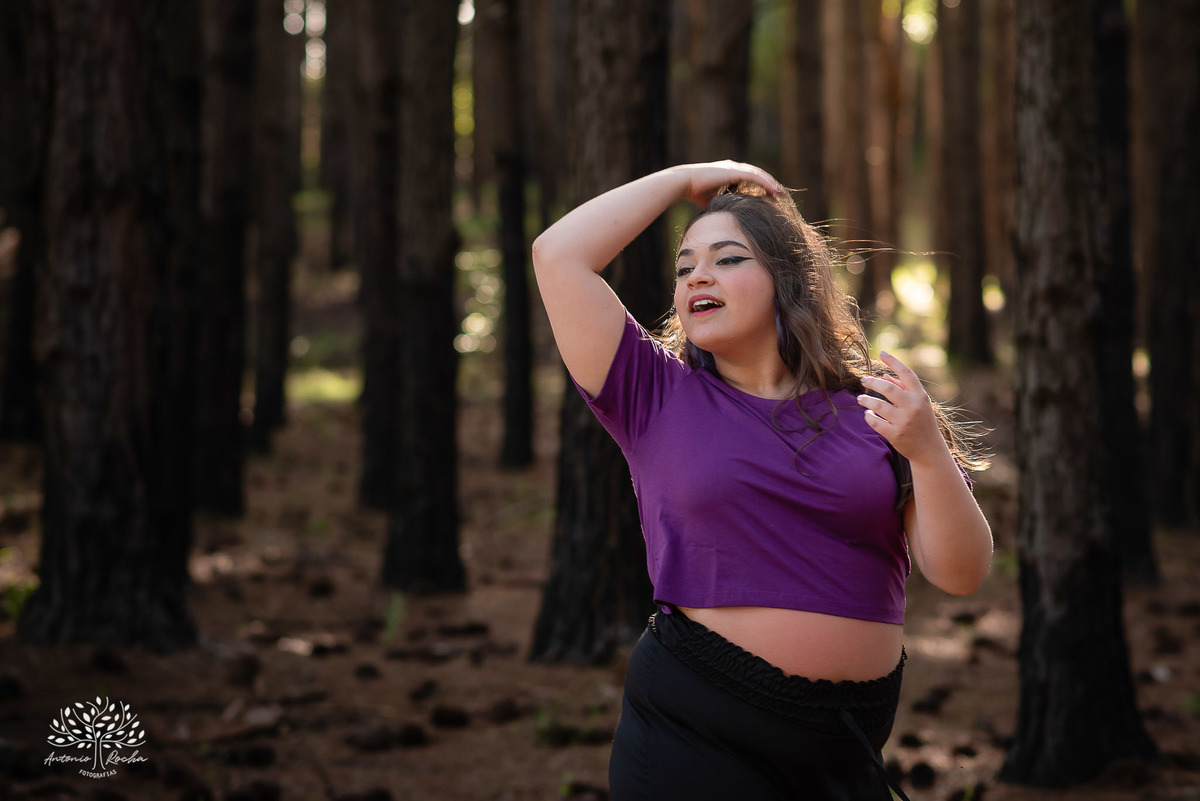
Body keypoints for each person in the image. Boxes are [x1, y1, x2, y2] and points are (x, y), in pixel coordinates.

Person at [531, 161, 993, 801]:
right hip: (696, 728)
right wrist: (686, 179)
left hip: (845, 747)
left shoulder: (871, 409)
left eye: (726, 259)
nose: (697, 275)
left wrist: (929, 453)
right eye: (685, 265)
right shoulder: (653, 393)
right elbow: (558, 255)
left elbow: (962, 573)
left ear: (788, 278)